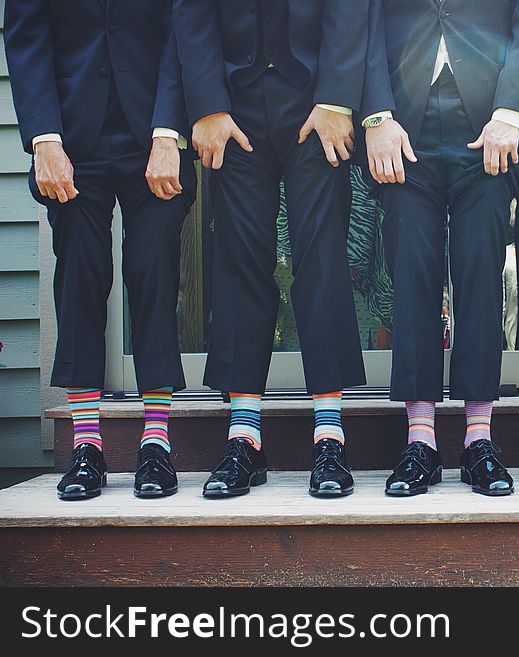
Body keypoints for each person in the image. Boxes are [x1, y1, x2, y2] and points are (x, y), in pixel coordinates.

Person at [173, 0, 368, 498]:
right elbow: (189, 11)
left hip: (316, 98)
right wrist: (207, 106)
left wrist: (338, 99)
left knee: (322, 259)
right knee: (238, 261)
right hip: (233, 105)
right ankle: (244, 436)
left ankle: (329, 435)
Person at [4, 0, 197, 500]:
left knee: (153, 270)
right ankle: (86, 446)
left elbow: (183, 33)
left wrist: (169, 132)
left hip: (153, 135)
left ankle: (157, 443)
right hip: (69, 138)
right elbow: (26, 37)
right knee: (80, 278)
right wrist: (44, 140)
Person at [362, 0, 519, 496]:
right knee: (412, 277)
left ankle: (478, 440)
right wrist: (376, 116)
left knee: (481, 277)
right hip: (402, 128)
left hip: (490, 127)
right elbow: (365, 21)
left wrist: (512, 113)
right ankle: (419, 440)